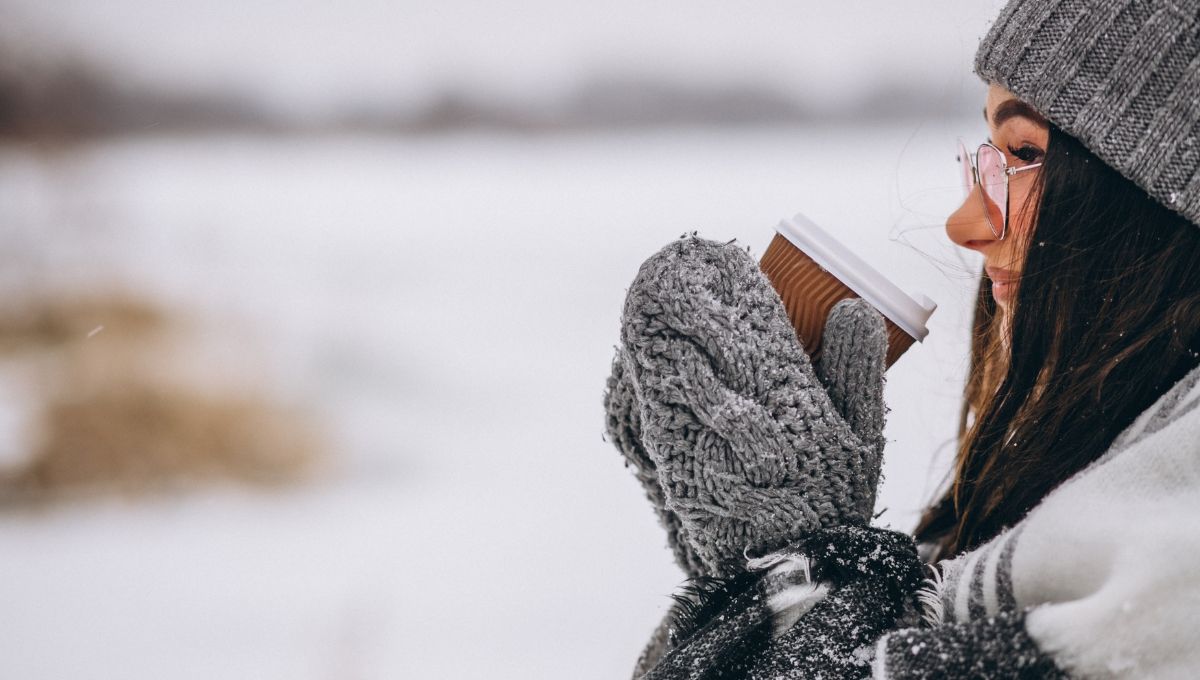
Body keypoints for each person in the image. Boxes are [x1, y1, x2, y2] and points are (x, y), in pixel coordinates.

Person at [603, 0, 1200, 677]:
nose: (966, 222)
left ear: (1164, 206)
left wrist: (795, 555)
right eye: (984, 158)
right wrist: (740, 559)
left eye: (1026, 153)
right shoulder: (1083, 516)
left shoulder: (1172, 580)